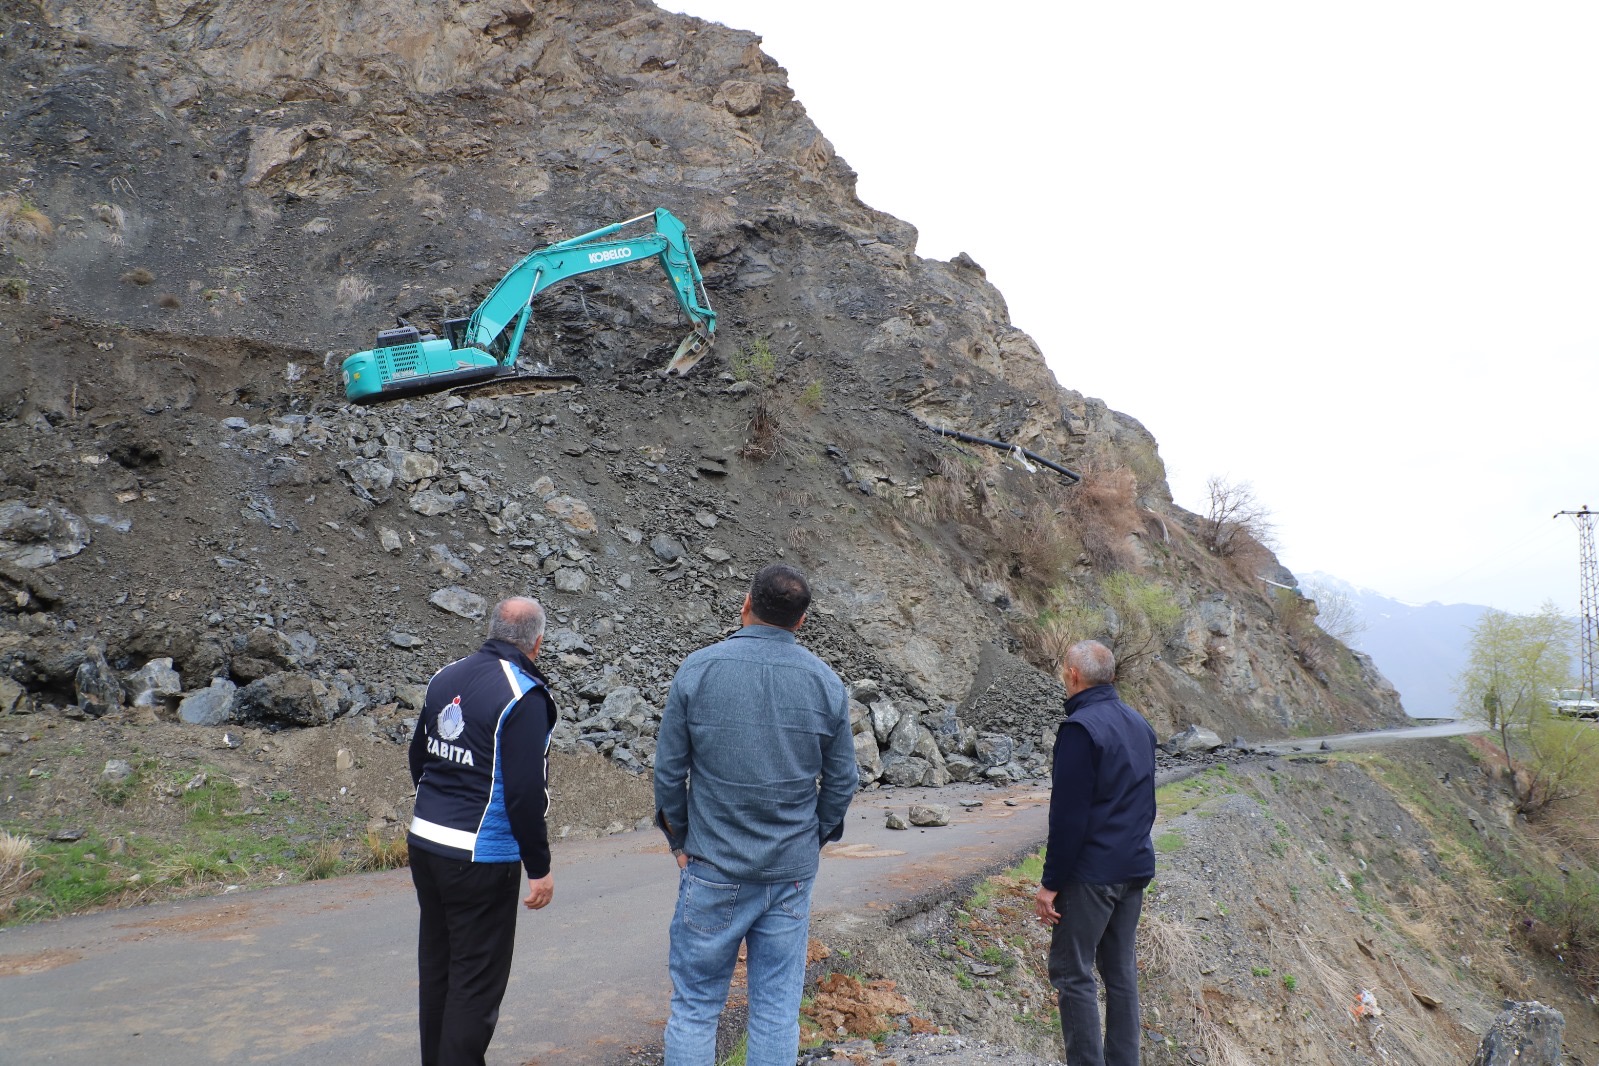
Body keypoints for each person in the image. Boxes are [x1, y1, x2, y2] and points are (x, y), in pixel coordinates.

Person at [654, 563, 858, 1066]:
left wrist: (679, 841)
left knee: (697, 1008)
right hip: (788, 871)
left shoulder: (698, 669)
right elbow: (843, 781)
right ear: (801, 621)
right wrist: (813, 840)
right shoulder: (825, 683)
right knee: (775, 1009)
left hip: (712, 866)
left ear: (746, 604)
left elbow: (668, 772)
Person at [407, 596, 558, 1066]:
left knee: (439, 969)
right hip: (479, 854)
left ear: (491, 628)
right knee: (476, 981)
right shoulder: (524, 693)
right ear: (538, 642)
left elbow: (419, 756)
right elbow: (525, 791)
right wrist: (539, 866)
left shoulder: (445, 675)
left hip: (426, 840)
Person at [1033, 640, 1157, 1066]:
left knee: (1073, 972)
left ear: (1072, 675)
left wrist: (1050, 883)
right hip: (1134, 868)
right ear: (1111, 677)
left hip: (1092, 875)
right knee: (1120, 973)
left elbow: (1068, 818)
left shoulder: (1080, 730)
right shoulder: (1139, 724)